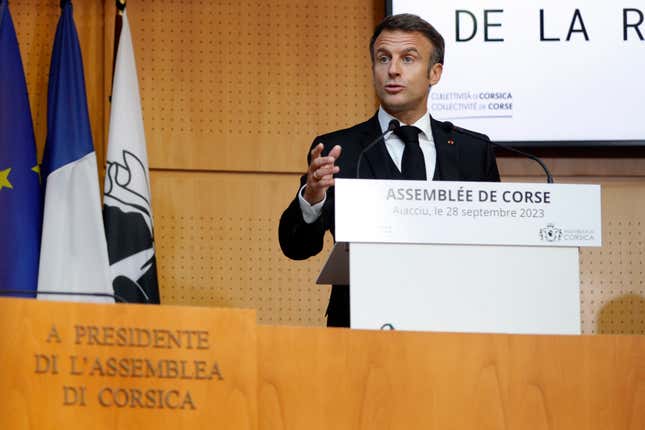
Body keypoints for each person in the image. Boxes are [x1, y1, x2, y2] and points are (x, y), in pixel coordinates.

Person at [279, 13, 500, 327]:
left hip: (455, 323)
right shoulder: (338, 149)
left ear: (434, 72)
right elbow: (297, 247)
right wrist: (312, 197)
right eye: (383, 59)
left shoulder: (471, 151)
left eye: (407, 59)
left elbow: (495, 246)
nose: (392, 70)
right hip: (361, 326)